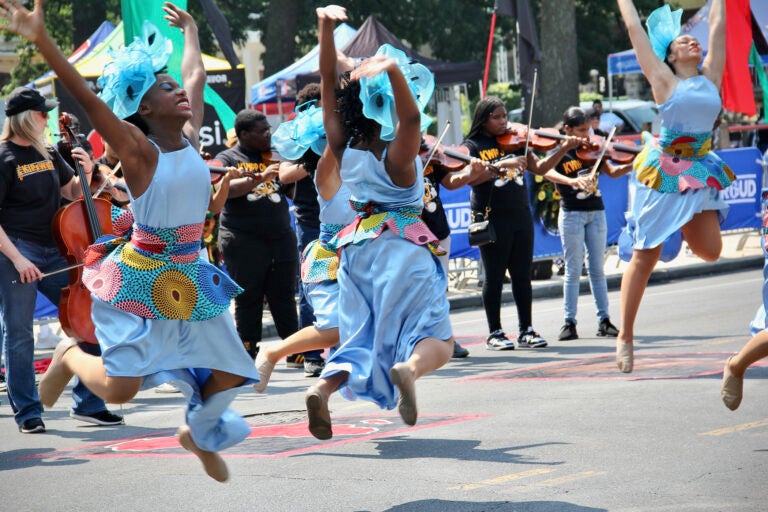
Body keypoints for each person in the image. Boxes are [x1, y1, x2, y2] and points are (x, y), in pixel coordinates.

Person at [5, 1, 258, 481]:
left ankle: (199, 432)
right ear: (143, 106)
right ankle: (69, 355)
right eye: (166, 88)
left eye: (175, 85)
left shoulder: (188, 135)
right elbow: (87, 97)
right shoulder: (139, 151)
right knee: (121, 391)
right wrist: (41, 39)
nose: (179, 90)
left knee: (231, 373)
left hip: (189, 274)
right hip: (142, 275)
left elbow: (196, 75)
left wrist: (192, 34)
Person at [303, 5, 454, 440]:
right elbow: (410, 119)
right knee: (435, 337)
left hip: (355, 253)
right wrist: (392, 70)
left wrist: (325, 30)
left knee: (358, 338)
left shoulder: (345, 145)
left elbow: (329, 85)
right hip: (402, 249)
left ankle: (322, 388)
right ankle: (408, 369)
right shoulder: (398, 157)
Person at [615, 0, 735, 373]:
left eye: (692, 40)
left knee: (712, 252)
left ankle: (679, 225)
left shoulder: (710, 76)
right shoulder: (663, 79)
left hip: (700, 168)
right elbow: (635, 31)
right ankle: (626, 337)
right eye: (684, 41)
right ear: (668, 55)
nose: (692, 43)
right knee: (646, 255)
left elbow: (717, 27)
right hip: (667, 170)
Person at [0, 85, 124, 433]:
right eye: (43, 113)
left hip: (55, 248)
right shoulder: (4, 157)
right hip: (17, 249)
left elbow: (72, 193)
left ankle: (89, 402)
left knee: (91, 315)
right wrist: (19, 260)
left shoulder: (50, 151)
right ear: (26, 118)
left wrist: (85, 169)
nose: (48, 118)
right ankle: (27, 412)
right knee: (20, 331)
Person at [535, 107, 631, 341]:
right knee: (573, 269)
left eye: (588, 130)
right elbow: (547, 173)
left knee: (597, 269)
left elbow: (613, 171)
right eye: (580, 130)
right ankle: (569, 322)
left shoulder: (594, 149)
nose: (586, 136)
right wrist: (572, 180)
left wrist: (634, 164)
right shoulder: (559, 152)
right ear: (567, 129)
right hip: (572, 214)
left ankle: (604, 320)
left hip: (596, 212)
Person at [462, 96, 548, 351]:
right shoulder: (473, 145)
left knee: (523, 275)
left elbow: (541, 169)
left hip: (520, 214)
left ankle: (526, 330)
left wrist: (563, 149)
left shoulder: (517, 142)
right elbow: (471, 179)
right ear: (483, 119)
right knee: (495, 276)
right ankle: (495, 332)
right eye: (496, 117)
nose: (503, 122)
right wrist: (501, 164)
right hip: (492, 216)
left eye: (504, 116)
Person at [215, 109, 299, 360]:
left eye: (268, 130)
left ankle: (294, 350)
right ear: (244, 134)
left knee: (283, 294)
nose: (268, 135)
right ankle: (248, 350)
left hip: (280, 236)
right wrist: (261, 177)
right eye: (262, 131)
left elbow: (290, 192)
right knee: (248, 294)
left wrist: (291, 172)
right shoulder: (227, 158)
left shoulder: (274, 156)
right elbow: (226, 190)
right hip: (243, 239)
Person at [276, 83, 330, 377]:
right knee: (312, 287)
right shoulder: (299, 137)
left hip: (343, 219)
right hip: (312, 222)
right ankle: (311, 354)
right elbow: (285, 174)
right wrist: (314, 158)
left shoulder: (338, 131)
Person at [420, 140, 482, 359]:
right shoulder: (395, 157)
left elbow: (451, 182)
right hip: (409, 233)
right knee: (415, 289)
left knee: (440, 287)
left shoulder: (432, 156)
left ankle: (445, 338)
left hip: (437, 229)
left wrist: (470, 173)